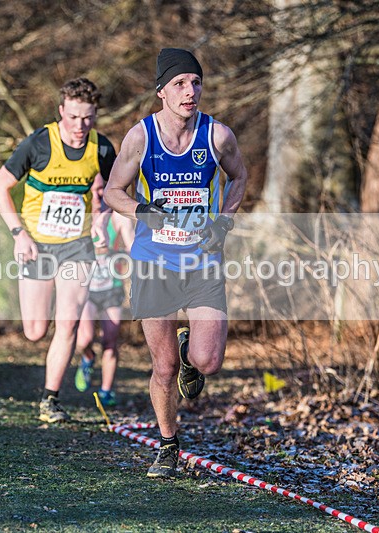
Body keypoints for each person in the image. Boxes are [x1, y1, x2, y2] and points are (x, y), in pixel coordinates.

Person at [104, 48, 248, 477]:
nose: (191, 92)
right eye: (181, 84)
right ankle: (168, 447)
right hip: (154, 261)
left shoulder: (218, 136)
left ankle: (192, 351)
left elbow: (239, 175)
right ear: (162, 91)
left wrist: (224, 220)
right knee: (163, 368)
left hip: (202, 260)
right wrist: (143, 211)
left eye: (196, 82)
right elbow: (113, 192)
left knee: (208, 362)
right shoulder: (140, 137)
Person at [0, 77, 116, 423]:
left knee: (69, 324)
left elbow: (112, 195)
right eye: (73, 117)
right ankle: (50, 391)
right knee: (34, 330)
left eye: (88, 118)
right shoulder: (38, 143)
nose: (80, 126)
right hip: (36, 245)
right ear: (61, 111)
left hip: (77, 248)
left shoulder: (102, 149)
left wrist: (100, 221)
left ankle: (50, 400)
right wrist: (18, 234)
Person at [73, 210, 134, 407]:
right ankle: (88, 357)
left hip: (112, 289)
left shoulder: (118, 218)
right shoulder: (81, 212)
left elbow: (132, 246)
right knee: (84, 339)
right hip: (88, 288)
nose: (99, 195)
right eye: (96, 190)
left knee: (110, 339)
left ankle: (106, 390)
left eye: (103, 191)